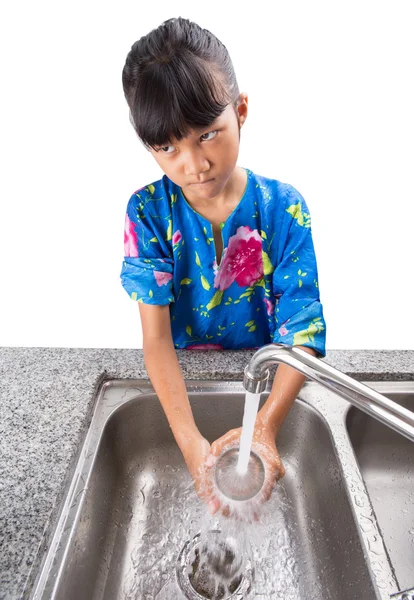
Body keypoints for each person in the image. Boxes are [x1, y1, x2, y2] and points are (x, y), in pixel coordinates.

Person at [120, 17, 326, 516]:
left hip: (262, 385)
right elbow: (156, 340)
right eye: (167, 147)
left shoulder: (283, 208)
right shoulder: (148, 213)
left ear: (241, 111)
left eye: (208, 134)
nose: (193, 164)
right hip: (189, 383)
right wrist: (191, 442)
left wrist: (266, 426)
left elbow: (304, 333)